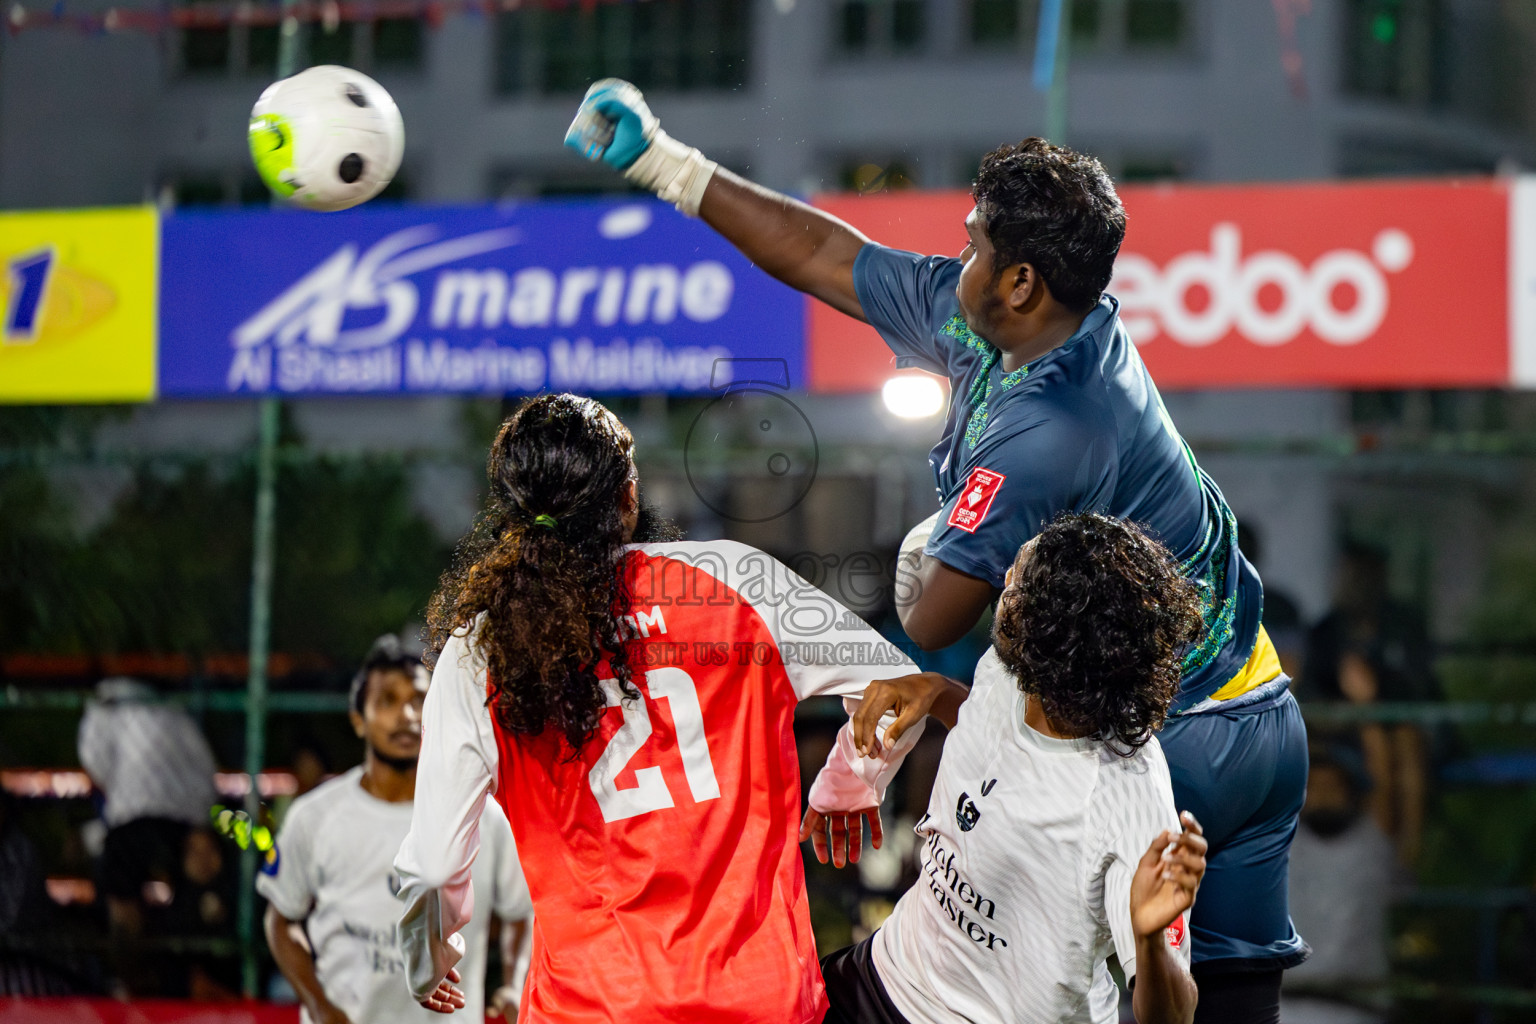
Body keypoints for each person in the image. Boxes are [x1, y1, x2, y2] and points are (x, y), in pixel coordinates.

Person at [566, 81, 1309, 1022]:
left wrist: (933, 539)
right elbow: (830, 256)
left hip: (1152, 747)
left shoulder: (1051, 426)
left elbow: (934, 612)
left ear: (1021, 281)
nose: (957, 253)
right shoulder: (1020, 323)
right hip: (1263, 714)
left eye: (972, 243)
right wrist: (664, 162)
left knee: (994, 974)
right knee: (1225, 1003)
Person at [393, 394, 925, 1023]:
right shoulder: (737, 579)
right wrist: (845, 785)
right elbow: (900, 686)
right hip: (762, 1001)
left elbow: (430, 869)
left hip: (587, 1008)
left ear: (512, 513)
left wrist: (429, 959)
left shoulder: (480, 650)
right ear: (627, 498)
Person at [808, 514, 1209, 1024]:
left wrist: (1150, 940)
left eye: (1017, 584)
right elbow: (992, 729)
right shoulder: (1006, 669)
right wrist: (934, 692)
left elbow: (1174, 1016)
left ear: (1049, 626)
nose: (1003, 585)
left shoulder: (1126, 794)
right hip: (884, 975)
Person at [257, 635, 531, 1024]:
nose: (406, 714)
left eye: (419, 700)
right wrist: (319, 1004)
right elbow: (280, 920)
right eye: (386, 700)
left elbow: (521, 912)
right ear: (358, 719)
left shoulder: (485, 815)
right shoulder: (313, 816)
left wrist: (514, 985)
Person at [77, 676, 219, 997]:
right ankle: (175, 975)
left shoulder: (105, 704)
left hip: (133, 815)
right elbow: (206, 770)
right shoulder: (172, 711)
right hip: (182, 818)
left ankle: (131, 977)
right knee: (183, 903)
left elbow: (94, 760)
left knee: (121, 898)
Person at [1281, 748, 1392, 1024]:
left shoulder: (1372, 846)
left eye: (1333, 786)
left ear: (1352, 793)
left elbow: (1385, 788)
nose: (1324, 794)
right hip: (1285, 1007)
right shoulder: (1282, 841)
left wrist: (1368, 715)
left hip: (1356, 1008)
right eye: (1314, 787)